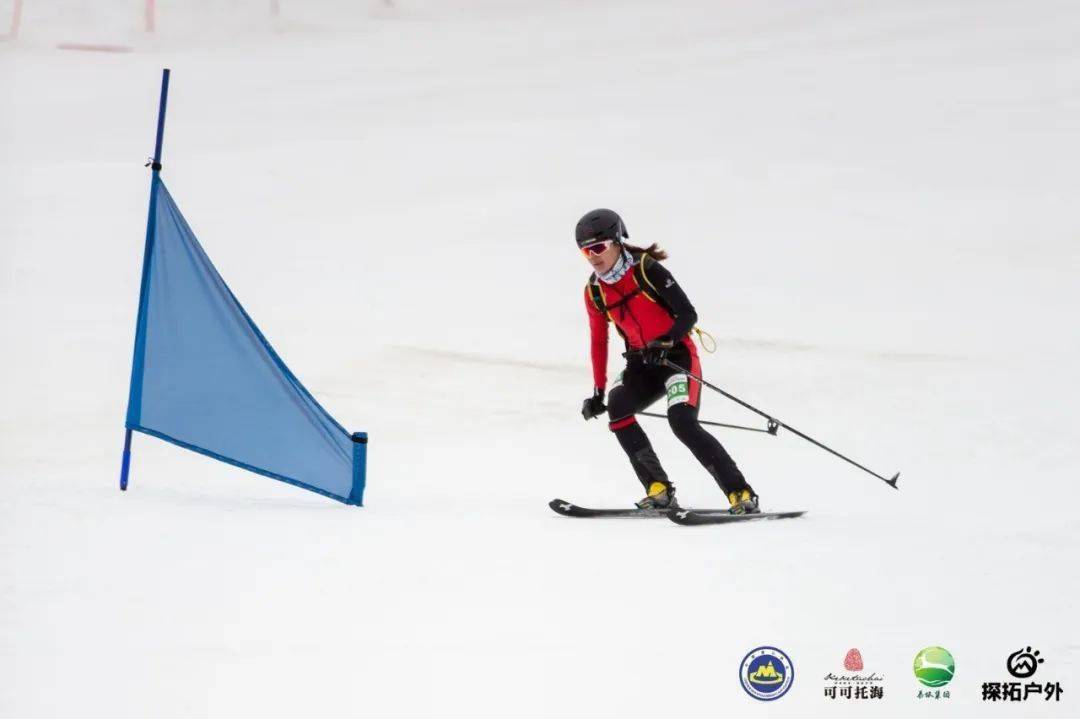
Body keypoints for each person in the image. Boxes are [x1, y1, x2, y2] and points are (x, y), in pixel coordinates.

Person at [577, 208, 759, 513]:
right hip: (641, 363)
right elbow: (598, 340)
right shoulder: (594, 291)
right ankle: (658, 489)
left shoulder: (646, 269)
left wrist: (667, 341)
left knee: (682, 422)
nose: (593, 256)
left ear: (617, 242)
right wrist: (597, 391)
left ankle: (741, 494)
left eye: (598, 247)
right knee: (618, 407)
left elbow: (688, 314)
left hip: (677, 358)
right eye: (585, 251)